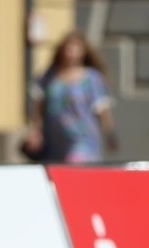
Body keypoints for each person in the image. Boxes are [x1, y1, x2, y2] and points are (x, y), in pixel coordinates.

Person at [22, 30, 118, 164]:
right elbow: (39, 105)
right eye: (68, 47)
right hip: (54, 140)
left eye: (75, 47)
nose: (70, 51)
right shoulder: (50, 76)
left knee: (74, 166)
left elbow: (102, 108)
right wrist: (35, 131)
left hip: (82, 138)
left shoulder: (91, 78)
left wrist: (110, 133)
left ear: (83, 51)